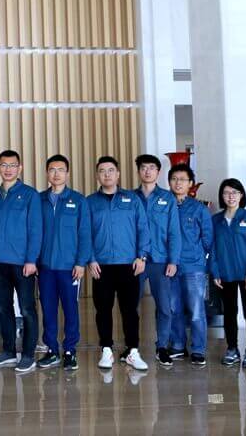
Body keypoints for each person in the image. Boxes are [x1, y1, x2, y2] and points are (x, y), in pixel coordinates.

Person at [87, 156, 150, 371]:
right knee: (103, 309)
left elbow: (143, 228)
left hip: (128, 264)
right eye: (102, 171)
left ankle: (133, 351)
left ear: (118, 174)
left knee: (130, 310)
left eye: (111, 170)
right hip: (101, 265)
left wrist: (142, 256)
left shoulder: (132, 199)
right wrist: (91, 258)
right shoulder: (90, 202)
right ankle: (106, 349)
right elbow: (85, 234)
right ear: (97, 175)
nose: (107, 174)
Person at [0, 150, 42, 373]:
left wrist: (31, 260)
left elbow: (35, 230)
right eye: (4, 165)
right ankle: (8, 352)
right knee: (4, 308)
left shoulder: (30, 195)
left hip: (22, 263)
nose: (8, 169)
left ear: (20, 168)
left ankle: (28, 355)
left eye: (12, 165)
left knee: (27, 309)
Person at [36, 154, 92, 371]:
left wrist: (80, 263)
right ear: (47, 173)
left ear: (67, 173)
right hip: (45, 267)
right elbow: (34, 233)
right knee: (48, 310)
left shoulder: (78, 200)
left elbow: (85, 234)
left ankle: (70, 350)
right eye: (52, 169)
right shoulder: (39, 200)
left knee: (71, 310)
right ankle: (52, 349)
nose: (56, 174)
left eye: (60, 170)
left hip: (70, 268)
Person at [210, 178, 246, 369]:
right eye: (226, 193)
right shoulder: (216, 220)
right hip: (225, 274)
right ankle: (232, 349)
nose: (231, 196)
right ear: (222, 196)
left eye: (235, 192)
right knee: (229, 312)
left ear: (241, 195)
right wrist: (215, 272)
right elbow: (212, 249)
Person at [133, 154, 181, 366]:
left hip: (160, 260)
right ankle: (131, 347)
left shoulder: (167, 198)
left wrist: (173, 260)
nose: (148, 171)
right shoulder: (130, 197)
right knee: (130, 306)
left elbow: (174, 232)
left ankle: (162, 346)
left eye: (152, 168)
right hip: (135, 260)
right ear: (139, 171)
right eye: (144, 167)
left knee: (164, 306)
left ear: (158, 172)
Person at [167, 164, 214, 366]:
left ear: (190, 184)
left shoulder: (199, 209)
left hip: (193, 267)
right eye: (174, 179)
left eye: (182, 179)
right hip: (168, 266)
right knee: (173, 308)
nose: (178, 183)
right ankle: (178, 345)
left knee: (196, 310)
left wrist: (199, 258)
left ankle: (198, 349)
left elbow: (208, 239)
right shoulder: (164, 205)